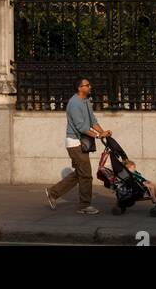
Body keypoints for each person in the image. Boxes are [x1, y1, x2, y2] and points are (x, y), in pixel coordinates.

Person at [45, 77, 111, 215]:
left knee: (80, 173)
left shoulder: (86, 101)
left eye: (89, 84)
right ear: (79, 88)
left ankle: (53, 192)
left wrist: (102, 132)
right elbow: (81, 127)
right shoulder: (74, 103)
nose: (90, 87)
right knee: (86, 175)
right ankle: (84, 205)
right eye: (87, 85)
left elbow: (92, 121)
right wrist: (99, 136)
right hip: (75, 143)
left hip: (81, 142)